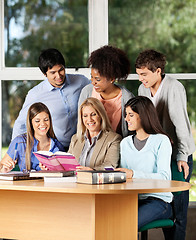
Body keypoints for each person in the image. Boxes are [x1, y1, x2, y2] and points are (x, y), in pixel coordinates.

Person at [136, 49, 195, 240]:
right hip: (157, 155)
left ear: (158, 71)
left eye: (144, 74)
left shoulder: (174, 88)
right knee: (159, 202)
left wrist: (182, 156)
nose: (141, 79)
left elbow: (181, 126)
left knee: (177, 213)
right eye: (139, 75)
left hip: (177, 156)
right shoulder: (142, 90)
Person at [12, 48, 90, 150]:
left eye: (61, 70)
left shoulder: (81, 81)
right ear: (45, 74)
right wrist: (13, 152)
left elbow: (98, 92)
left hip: (81, 144)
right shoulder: (35, 94)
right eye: (53, 73)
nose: (58, 76)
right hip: (56, 147)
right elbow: (20, 124)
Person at [116, 96, 173, 230]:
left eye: (130, 115)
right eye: (126, 115)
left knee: (127, 224)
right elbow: (125, 178)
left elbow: (165, 178)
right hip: (132, 199)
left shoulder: (161, 141)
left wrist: (133, 174)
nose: (126, 119)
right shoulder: (125, 143)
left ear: (143, 116)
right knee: (110, 220)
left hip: (158, 200)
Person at [78, 45, 134, 138]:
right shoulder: (87, 91)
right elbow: (81, 123)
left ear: (112, 79)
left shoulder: (127, 98)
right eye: (91, 77)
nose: (93, 82)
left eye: (98, 79)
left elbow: (130, 130)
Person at [0, 102, 64, 172]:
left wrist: (49, 172)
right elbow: (1, 166)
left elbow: (64, 174)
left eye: (46, 120)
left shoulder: (57, 147)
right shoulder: (20, 142)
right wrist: (4, 169)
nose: (42, 124)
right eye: (37, 121)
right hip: (24, 183)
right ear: (31, 123)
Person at [68, 97, 122, 171]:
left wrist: (92, 171)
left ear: (101, 115)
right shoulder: (75, 139)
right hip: (74, 181)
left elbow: (110, 165)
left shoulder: (113, 139)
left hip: (97, 181)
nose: (89, 119)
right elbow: (67, 164)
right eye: (85, 116)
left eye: (93, 114)